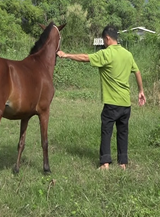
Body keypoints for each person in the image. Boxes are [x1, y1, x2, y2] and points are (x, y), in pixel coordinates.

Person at [57, 25, 146, 170]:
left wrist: (66, 55)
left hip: (112, 103)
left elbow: (85, 58)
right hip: (126, 104)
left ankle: (105, 163)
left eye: (104, 40)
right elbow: (137, 71)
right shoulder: (127, 54)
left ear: (108, 38)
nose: (104, 43)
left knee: (107, 131)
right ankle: (122, 163)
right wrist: (141, 91)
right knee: (123, 132)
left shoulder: (106, 53)